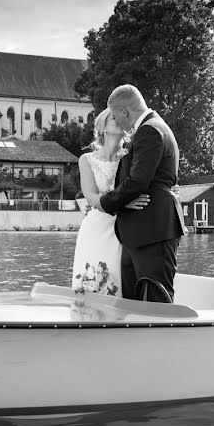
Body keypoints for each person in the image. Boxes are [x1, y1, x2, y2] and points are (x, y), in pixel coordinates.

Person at [98, 84, 187, 302]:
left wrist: (105, 203)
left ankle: (159, 337)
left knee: (156, 300)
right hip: (143, 232)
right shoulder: (153, 127)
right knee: (135, 302)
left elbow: (138, 181)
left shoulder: (150, 130)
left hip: (152, 230)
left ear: (123, 112)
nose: (117, 122)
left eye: (116, 117)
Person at [71, 108, 145, 296]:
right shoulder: (86, 159)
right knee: (91, 277)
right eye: (114, 117)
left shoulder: (131, 157)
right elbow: (91, 197)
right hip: (96, 228)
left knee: (118, 280)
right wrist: (123, 203)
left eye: (122, 117)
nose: (119, 120)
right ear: (102, 126)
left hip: (124, 227)